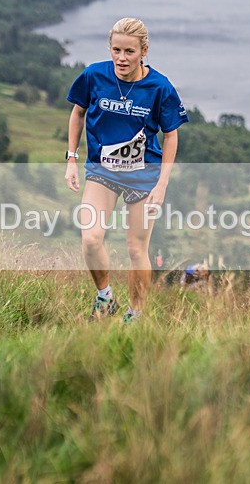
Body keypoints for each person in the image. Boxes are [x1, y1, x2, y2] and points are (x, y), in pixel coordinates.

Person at [65, 17, 189, 323]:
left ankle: (135, 315)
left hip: (144, 176)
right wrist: (71, 158)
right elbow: (78, 111)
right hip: (102, 172)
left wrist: (161, 185)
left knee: (136, 250)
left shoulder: (159, 87)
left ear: (144, 51)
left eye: (129, 52)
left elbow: (171, 134)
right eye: (116, 50)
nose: (121, 58)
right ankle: (105, 297)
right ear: (109, 48)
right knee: (91, 238)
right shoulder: (94, 75)